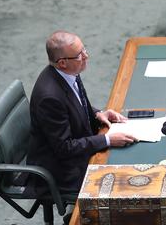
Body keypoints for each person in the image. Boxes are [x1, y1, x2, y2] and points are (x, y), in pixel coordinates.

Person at [28, 31, 135, 193]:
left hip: (75, 146)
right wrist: (107, 140)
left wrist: (98, 114)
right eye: (79, 55)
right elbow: (64, 148)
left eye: (84, 49)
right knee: (122, 181)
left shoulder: (68, 72)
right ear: (62, 63)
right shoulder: (49, 98)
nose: (86, 56)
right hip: (61, 169)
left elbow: (74, 104)